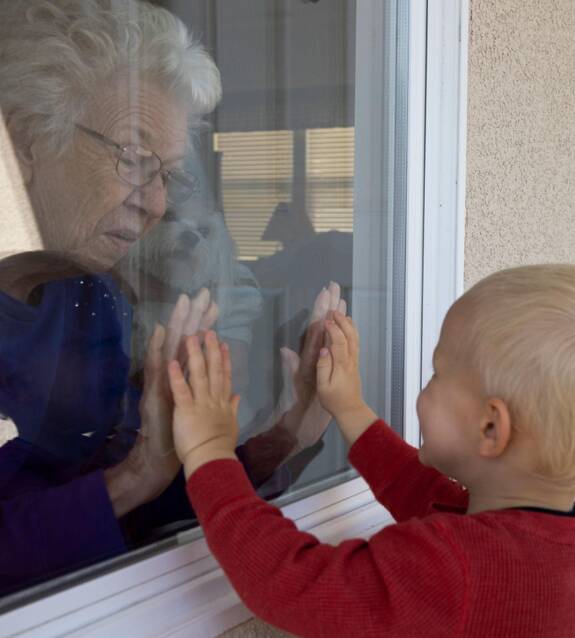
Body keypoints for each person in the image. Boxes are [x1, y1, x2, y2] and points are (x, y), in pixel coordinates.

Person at [0, 0, 335, 596]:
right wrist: (132, 478)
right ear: (27, 140)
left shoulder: (92, 303)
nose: (154, 203)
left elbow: (138, 512)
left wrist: (286, 436)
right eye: (133, 159)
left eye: (168, 174)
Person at [167, 264, 575, 637]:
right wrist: (351, 410)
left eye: (436, 374)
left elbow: (290, 584)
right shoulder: (572, 550)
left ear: (490, 426)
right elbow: (426, 495)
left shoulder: (455, 569)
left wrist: (211, 452)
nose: (424, 385)